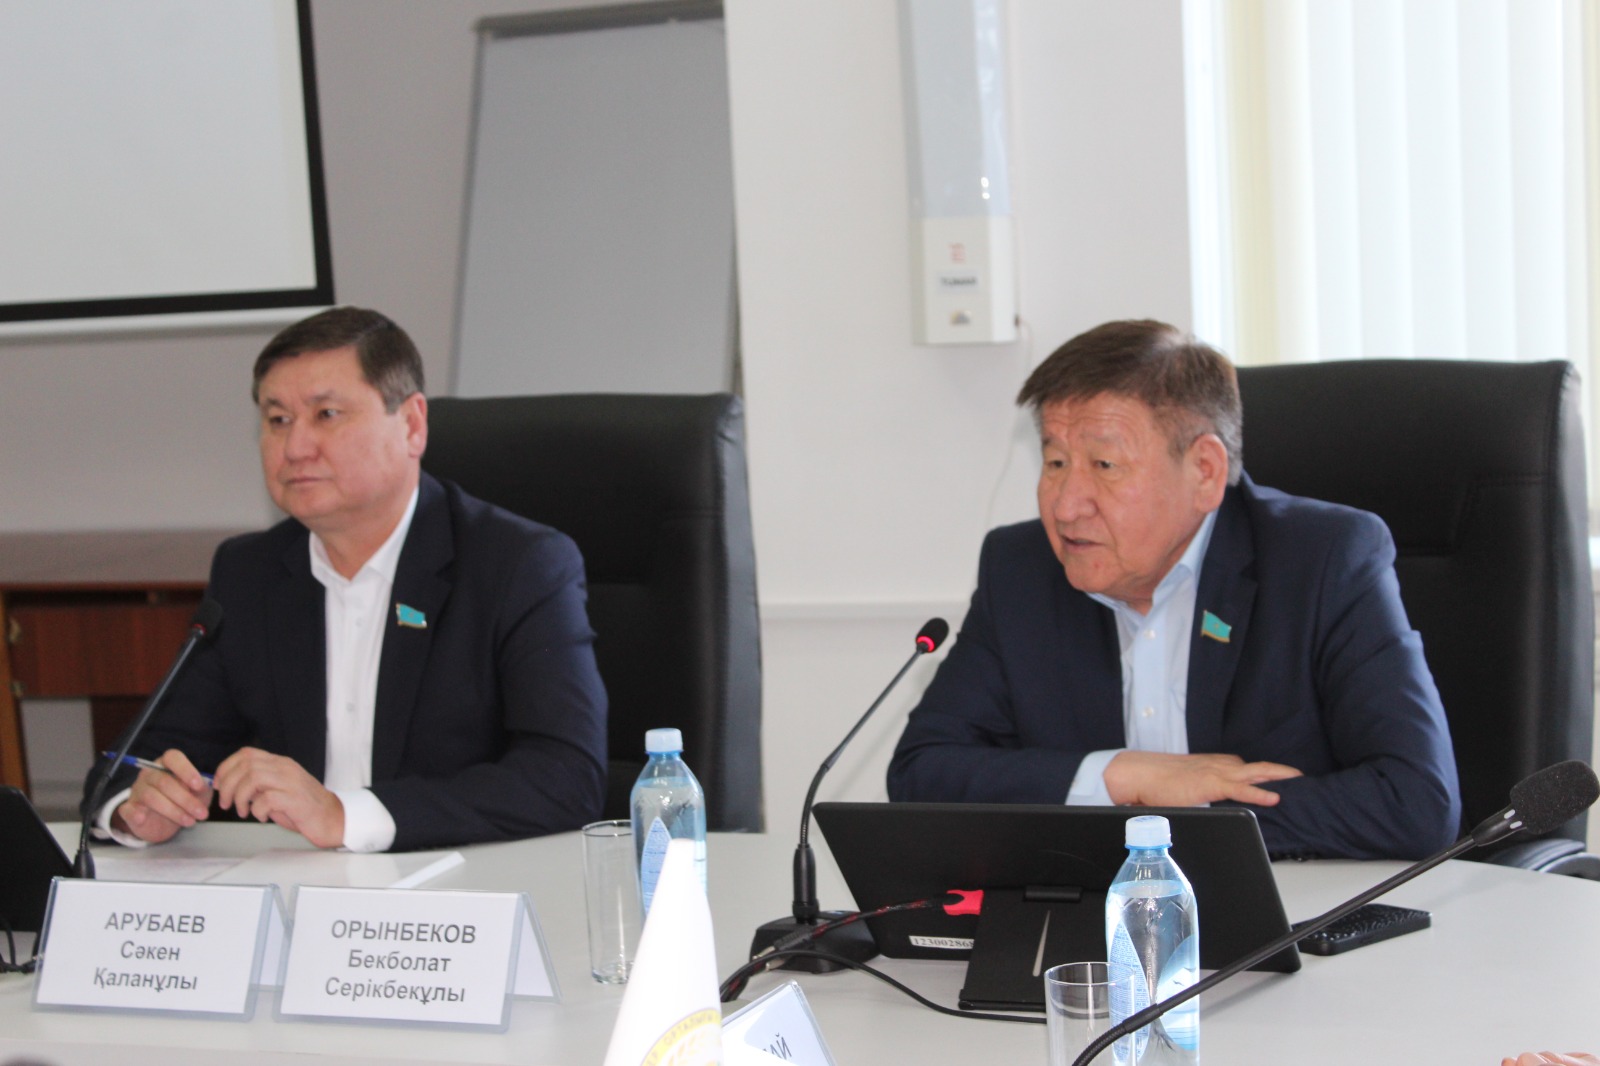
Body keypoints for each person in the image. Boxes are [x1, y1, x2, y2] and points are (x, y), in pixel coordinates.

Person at [886, 319, 1461, 860]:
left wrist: (1177, 817)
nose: (1065, 506)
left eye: (1104, 465)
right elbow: (921, 772)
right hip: (1095, 925)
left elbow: (1416, 802)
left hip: (1297, 912)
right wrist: (1123, 777)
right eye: (1055, 462)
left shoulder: (1322, 560)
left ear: (1205, 471)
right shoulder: (1020, 570)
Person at [82, 307, 607, 852]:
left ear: (412, 425)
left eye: (327, 414)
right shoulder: (249, 573)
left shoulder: (519, 565)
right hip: (297, 885)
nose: (295, 447)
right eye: (278, 420)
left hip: (461, 882)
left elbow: (567, 777)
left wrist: (344, 816)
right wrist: (135, 807)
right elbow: (135, 759)